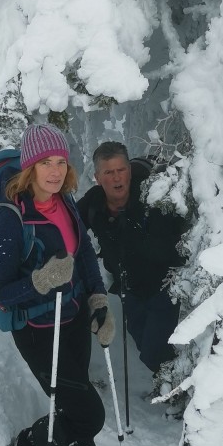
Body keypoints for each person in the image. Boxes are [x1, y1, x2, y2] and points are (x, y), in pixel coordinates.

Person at [0, 123, 116, 446]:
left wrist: (97, 301)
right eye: (46, 162)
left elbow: (85, 254)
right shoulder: (11, 219)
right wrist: (40, 281)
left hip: (74, 317)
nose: (55, 170)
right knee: (90, 413)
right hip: (38, 328)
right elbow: (1, 294)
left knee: (72, 402)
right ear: (30, 167)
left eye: (61, 161)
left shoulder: (65, 202)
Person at [77, 141, 186, 380]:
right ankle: (171, 384)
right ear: (97, 177)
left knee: (153, 353)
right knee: (145, 347)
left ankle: (180, 390)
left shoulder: (152, 199)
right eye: (108, 172)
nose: (117, 178)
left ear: (128, 169)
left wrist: (138, 238)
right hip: (130, 292)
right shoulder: (94, 204)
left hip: (164, 290)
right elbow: (69, 227)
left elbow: (178, 247)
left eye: (121, 170)